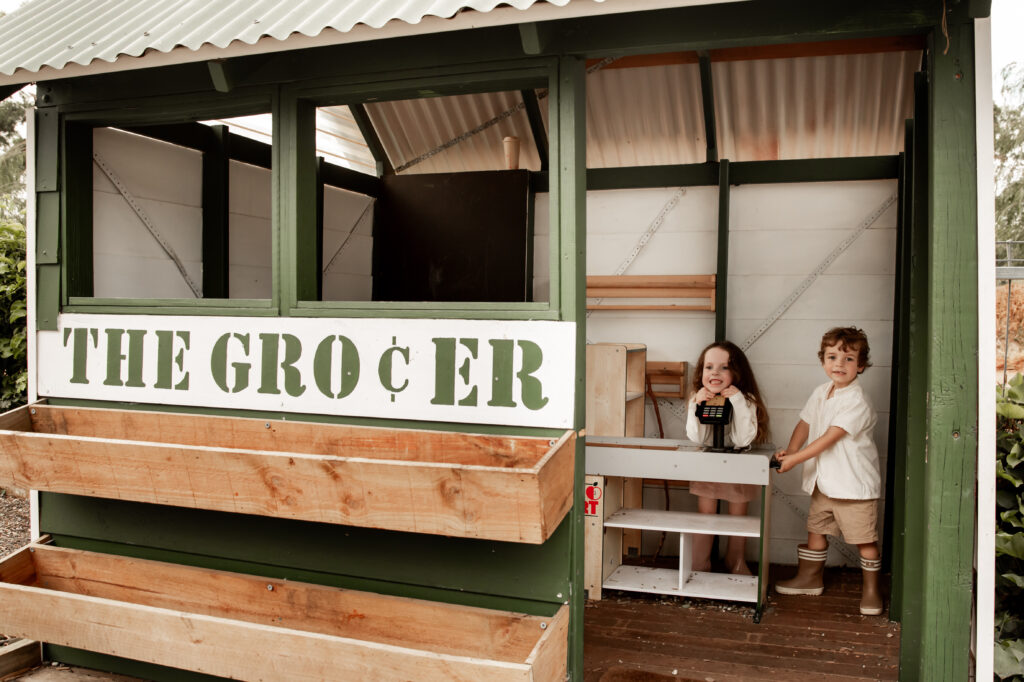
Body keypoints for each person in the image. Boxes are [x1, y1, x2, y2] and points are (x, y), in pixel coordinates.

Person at [773, 326, 883, 616]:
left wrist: (796, 460)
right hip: (824, 482)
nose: (839, 364)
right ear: (823, 360)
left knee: (864, 540)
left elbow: (829, 438)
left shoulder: (857, 400)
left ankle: (872, 590)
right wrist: (791, 450)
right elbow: (805, 423)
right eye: (832, 357)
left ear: (861, 366)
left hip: (852, 485)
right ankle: (810, 578)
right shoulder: (821, 392)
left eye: (849, 359)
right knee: (817, 530)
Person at [685, 340, 770, 575]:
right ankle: (700, 562)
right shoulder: (698, 397)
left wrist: (738, 402)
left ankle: (736, 559)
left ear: (736, 372)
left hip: (737, 466)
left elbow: (743, 439)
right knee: (705, 514)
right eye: (709, 367)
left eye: (724, 367)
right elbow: (697, 437)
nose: (715, 373)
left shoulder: (746, 399)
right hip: (709, 464)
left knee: (737, 516)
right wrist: (695, 406)